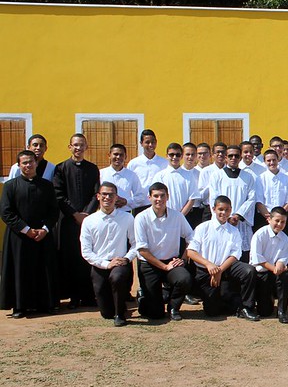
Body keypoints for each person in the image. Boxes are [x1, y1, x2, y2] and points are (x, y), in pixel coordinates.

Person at [0, 150, 59, 317]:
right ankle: (20, 306)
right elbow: (6, 212)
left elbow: (53, 211)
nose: (28, 165)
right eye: (24, 163)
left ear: (36, 163)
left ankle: (45, 304)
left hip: (43, 235)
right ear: (19, 166)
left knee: (43, 269)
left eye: (31, 162)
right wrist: (26, 229)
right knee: (20, 270)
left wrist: (45, 229)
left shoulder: (47, 186)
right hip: (19, 236)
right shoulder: (10, 186)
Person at [186, 195, 260, 321]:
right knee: (212, 312)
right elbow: (191, 252)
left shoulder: (234, 231)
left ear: (231, 210)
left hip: (226, 268)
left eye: (227, 210)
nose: (223, 213)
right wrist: (210, 265)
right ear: (214, 209)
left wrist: (219, 270)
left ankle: (246, 307)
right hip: (206, 271)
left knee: (249, 271)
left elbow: (235, 255)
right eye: (220, 209)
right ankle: (227, 299)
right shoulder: (203, 228)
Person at [133, 182, 194, 321]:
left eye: (162, 196)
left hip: (171, 261)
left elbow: (192, 237)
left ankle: (173, 307)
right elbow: (142, 250)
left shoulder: (177, 216)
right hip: (149, 264)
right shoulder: (141, 218)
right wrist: (164, 267)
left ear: (168, 197)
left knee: (184, 278)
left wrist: (183, 258)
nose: (159, 199)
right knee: (154, 314)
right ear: (149, 198)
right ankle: (145, 299)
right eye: (155, 196)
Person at [79, 181, 136, 326]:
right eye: (104, 194)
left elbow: (136, 244)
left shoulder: (127, 218)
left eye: (111, 195)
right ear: (98, 196)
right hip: (100, 264)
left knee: (117, 278)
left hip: (120, 263)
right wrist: (105, 264)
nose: (107, 198)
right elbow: (86, 251)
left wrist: (126, 259)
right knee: (106, 314)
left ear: (116, 197)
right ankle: (114, 309)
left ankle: (120, 314)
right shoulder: (89, 221)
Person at [53, 133, 100, 308]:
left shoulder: (93, 168)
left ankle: (88, 295)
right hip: (67, 221)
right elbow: (59, 195)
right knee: (70, 259)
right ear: (70, 147)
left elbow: (96, 194)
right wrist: (74, 214)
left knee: (86, 258)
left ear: (86, 147)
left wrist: (85, 215)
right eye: (75, 145)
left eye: (81, 145)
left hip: (87, 221)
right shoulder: (61, 169)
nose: (78, 148)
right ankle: (73, 297)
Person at [250, 206, 288, 323]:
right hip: (262, 272)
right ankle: (267, 301)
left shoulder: (284, 238)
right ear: (269, 219)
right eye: (277, 221)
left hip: (276, 271)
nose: (279, 224)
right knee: (265, 311)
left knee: (285, 276)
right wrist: (273, 268)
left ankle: (282, 311)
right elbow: (257, 258)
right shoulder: (260, 235)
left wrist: (280, 265)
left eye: (283, 222)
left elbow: (283, 257)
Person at [152, 143, 199, 216]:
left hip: (185, 216)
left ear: (181, 156)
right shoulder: (160, 176)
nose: (174, 157)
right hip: (164, 216)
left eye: (178, 155)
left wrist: (180, 216)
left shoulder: (189, 175)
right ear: (167, 156)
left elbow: (192, 198)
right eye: (171, 154)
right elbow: (156, 197)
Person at [127, 129, 168, 213]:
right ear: (141, 143)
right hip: (139, 205)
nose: (151, 145)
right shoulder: (134, 163)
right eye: (147, 142)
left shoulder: (165, 163)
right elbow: (129, 184)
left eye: (153, 142)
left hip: (159, 204)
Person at [99, 143, 146, 213]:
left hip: (125, 213)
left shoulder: (132, 175)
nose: (118, 157)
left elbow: (140, 196)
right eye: (115, 154)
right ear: (109, 155)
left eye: (121, 155)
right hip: (105, 213)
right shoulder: (101, 174)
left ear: (125, 157)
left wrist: (126, 201)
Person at [198, 142, 227, 221]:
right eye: (217, 152)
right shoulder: (206, 171)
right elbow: (201, 196)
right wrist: (211, 185)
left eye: (223, 152)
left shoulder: (231, 171)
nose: (220, 154)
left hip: (227, 209)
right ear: (213, 155)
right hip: (209, 209)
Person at [181, 142, 205, 229]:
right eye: (187, 154)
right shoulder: (177, 174)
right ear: (182, 155)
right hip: (181, 211)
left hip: (197, 211)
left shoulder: (201, 174)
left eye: (192, 154)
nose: (190, 157)